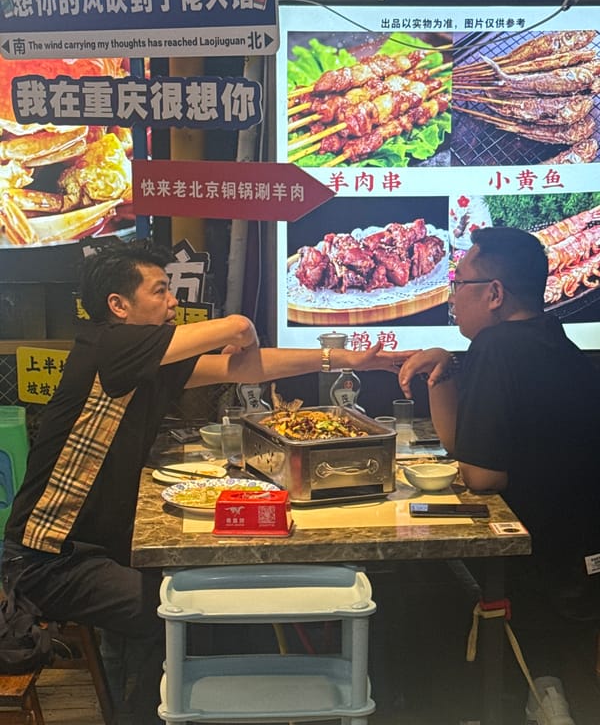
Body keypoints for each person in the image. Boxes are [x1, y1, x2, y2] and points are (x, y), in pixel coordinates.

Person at [1, 238, 413, 725]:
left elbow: (241, 367)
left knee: (197, 601)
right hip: (48, 559)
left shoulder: (142, 361)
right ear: (119, 305)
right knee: (183, 614)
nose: (173, 300)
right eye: (160, 291)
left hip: (90, 551)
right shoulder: (107, 345)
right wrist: (245, 331)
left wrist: (345, 361)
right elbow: (238, 330)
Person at [398, 226, 600, 719]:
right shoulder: (550, 340)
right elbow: (465, 450)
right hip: (577, 561)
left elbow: (483, 477)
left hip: (536, 567)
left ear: (494, 294)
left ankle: (522, 696)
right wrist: (443, 371)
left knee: (412, 577)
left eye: (459, 285)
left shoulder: (498, 347)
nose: (452, 299)